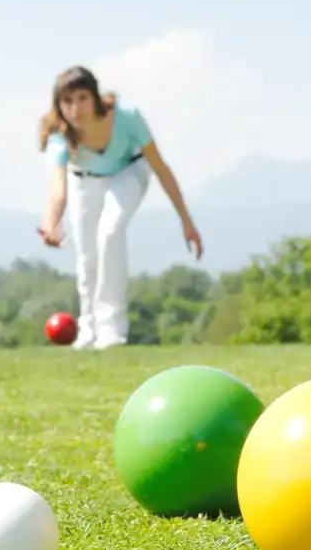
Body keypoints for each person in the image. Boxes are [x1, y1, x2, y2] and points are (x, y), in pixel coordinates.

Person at [37, 65, 202, 350]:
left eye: (82, 98)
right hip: (84, 183)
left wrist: (186, 221)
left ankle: (112, 327)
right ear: (59, 106)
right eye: (67, 101)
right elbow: (58, 191)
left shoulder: (127, 116)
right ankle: (88, 327)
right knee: (87, 255)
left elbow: (160, 168)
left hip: (128, 174)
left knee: (110, 233)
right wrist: (50, 225)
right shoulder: (59, 136)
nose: (75, 108)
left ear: (95, 97)